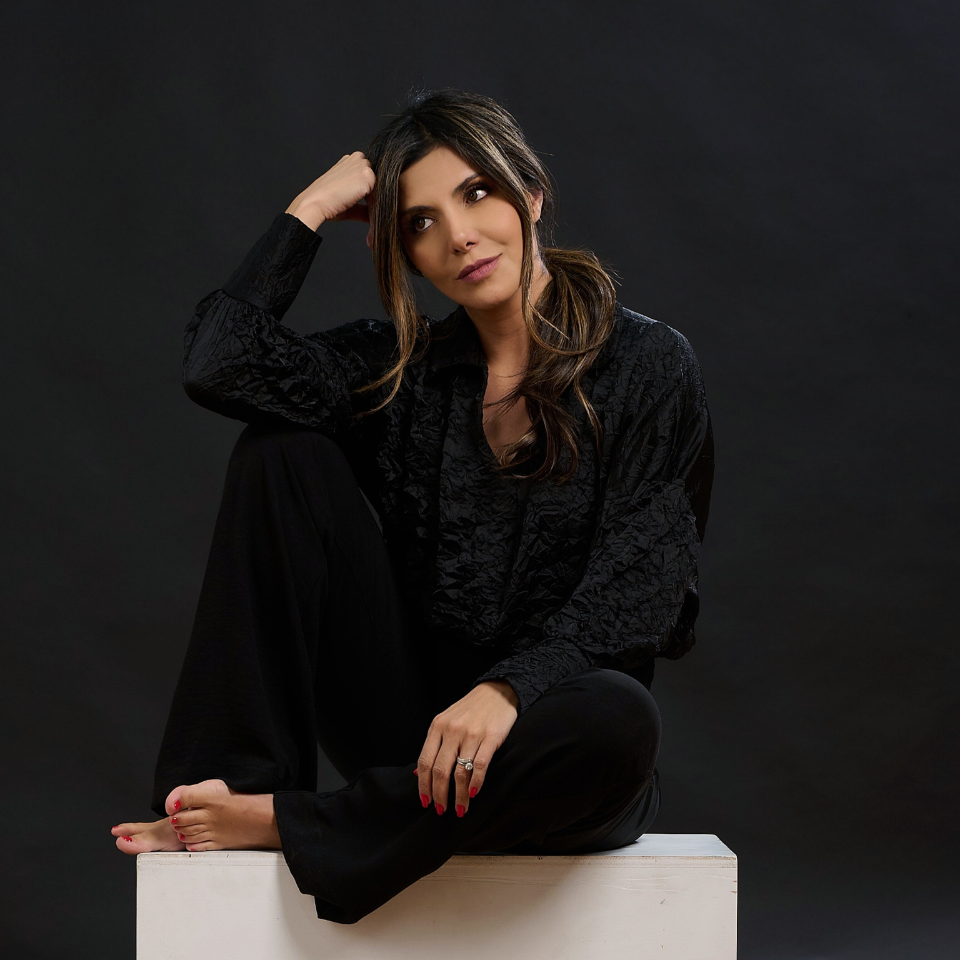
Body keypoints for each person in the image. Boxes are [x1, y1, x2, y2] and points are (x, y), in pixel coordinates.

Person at [110, 88, 715, 924]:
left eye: (477, 193)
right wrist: (310, 209)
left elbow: (643, 591)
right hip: (413, 748)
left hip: (549, 750)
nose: (458, 235)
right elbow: (218, 366)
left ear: (531, 194)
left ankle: (289, 823)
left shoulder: (648, 363)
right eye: (420, 222)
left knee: (620, 717)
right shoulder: (401, 373)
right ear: (405, 253)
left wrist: (507, 691)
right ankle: (227, 790)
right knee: (280, 453)